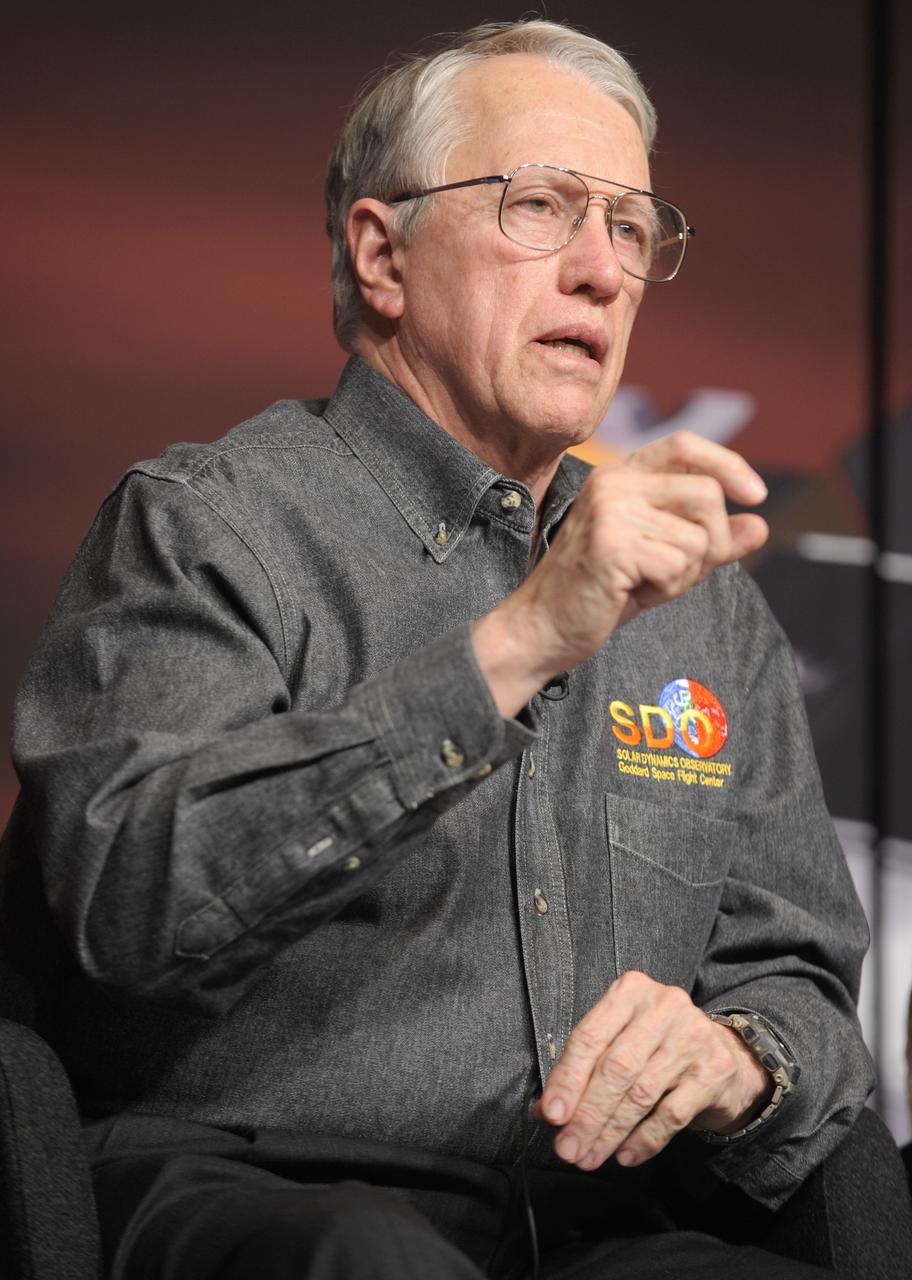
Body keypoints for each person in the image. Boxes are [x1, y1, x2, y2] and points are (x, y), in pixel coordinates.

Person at [1, 18, 900, 1280]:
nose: (603, 271)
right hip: (249, 1182)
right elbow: (134, 899)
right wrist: (518, 643)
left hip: (585, 1225)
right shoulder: (206, 526)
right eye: (543, 207)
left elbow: (798, 974)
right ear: (383, 254)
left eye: (630, 227)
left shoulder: (702, 607)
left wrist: (741, 1057)